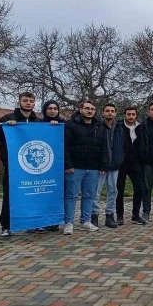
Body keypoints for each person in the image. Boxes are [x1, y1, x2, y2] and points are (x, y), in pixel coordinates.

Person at [0, 91, 39, 238]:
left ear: (34, 103)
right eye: (25, 100)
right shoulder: (7, 118)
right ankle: (6, 226)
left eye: (31, 101)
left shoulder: (38, 121)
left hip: (33, 166)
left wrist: (53, 125)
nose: (28, 103)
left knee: (32, 194)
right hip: (13, 166)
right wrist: (4, 126)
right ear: (19, 102)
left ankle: (31, 223)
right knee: (10, 195)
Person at [63, 100, 108, 235]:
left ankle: (85, 221)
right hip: (75, 167)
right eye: (87, 108)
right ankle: (69, 223)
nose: (90, 111)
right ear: (80, 109)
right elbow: (65, 146)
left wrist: (103, 165)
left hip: (93, 167)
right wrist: (68, 164)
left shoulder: (100, 126)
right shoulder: (70, 125)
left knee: (89, 195)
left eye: (92, 109)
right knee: (71, 195)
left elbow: (104, 147)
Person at [91, 103, 125, 229]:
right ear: (103, 113)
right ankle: (94, 215)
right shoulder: (97, 127)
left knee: (113, 191)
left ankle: (110, 215)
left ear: (115, 113)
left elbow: (121, 146)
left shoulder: (119, 128)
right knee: (96, 192)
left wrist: (119, 159)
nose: (109, 113)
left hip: (114, 165)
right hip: (100, 166)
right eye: (107, 111)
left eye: (112, 111)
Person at [37, 100, 64, 233]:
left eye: (55, 108)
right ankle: (39, 222)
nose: (52, 111)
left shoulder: (63, 125)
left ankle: (54, 221)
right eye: (49, 108)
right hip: (42, 165)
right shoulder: (38, 124)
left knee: (56, 194)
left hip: (57, 166)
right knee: (41, 195)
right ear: (45, 110)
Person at [117, 107, 145, 225]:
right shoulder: (119, 127)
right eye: (129, 114)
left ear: (136, 115)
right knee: (120, 189)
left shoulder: (141, 127)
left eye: (133, 114)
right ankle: (119, 215)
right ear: (125, 115)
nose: (131, 116)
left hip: (136, 162)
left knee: (139, 187)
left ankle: (136, 214)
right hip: (121, 162)